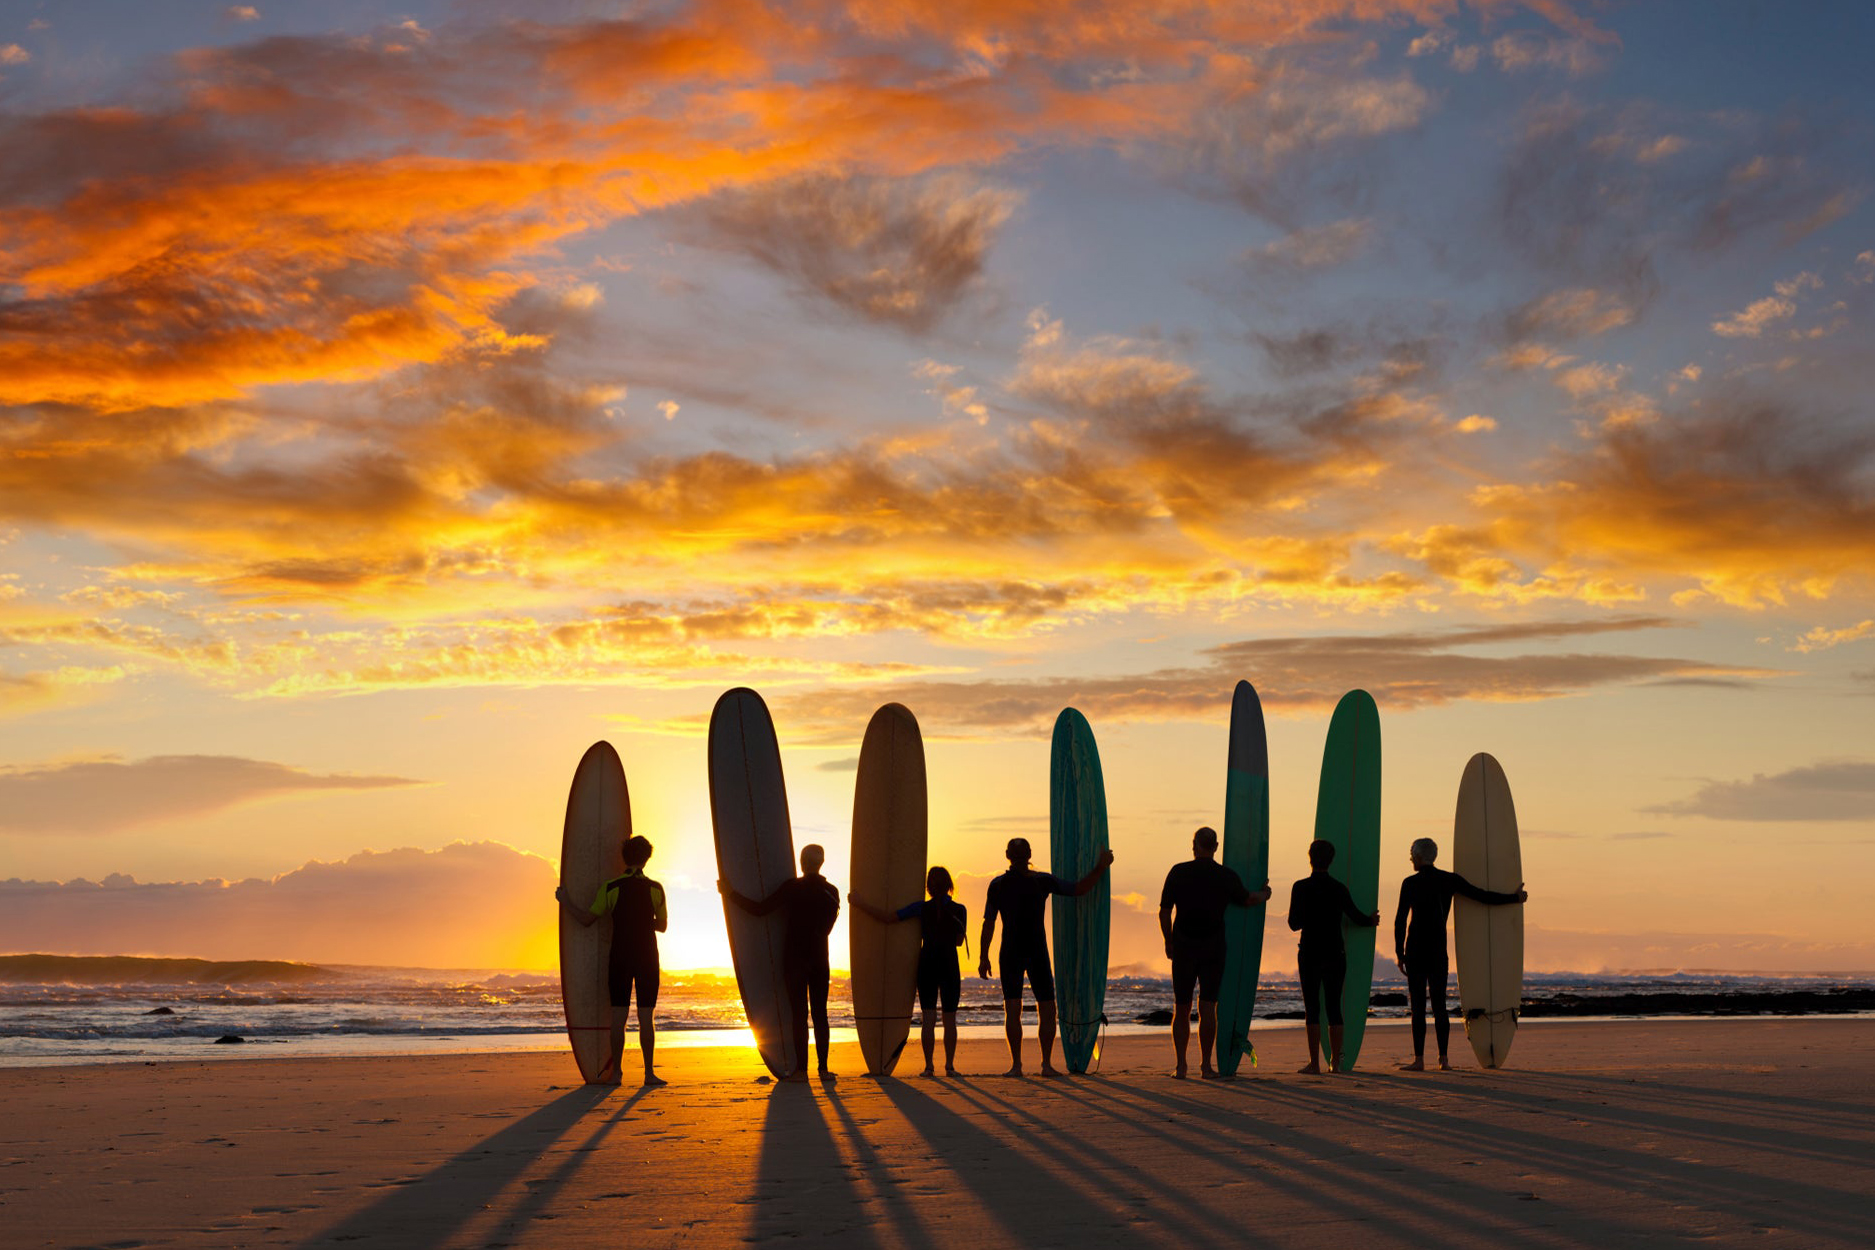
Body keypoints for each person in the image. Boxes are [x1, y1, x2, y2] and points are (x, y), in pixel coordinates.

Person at [978, 836, 1115, 1077]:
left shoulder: (998, 884)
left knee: (1014, 1008)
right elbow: (1078, 889)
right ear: (1029, 854)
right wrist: (1101, 866)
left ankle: (1017, 1066)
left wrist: (983, 956)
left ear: (1007, 855)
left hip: (1010, 951)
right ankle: (1045, 1065)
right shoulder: (1041, 881)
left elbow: (988, 923)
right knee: (1047, 1008)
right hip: (1035, 951)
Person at [1394, 837, 1528, 1071]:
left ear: (1416, 856)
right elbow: (1482, 896)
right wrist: (1513, 898)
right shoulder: (1449, 880)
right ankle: (1443, 1060)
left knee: (1417, 1006)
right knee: (1439, 1005)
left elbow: (1400, 920)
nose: (1410, 858)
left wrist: (1399, 952)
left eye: (1411, 854)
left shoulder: (1410, 883)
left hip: (1415, 949)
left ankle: (1418, 1060)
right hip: (1437, 950)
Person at [1158, 826, 1273, 1079]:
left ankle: (1180, 1066)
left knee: (1182, 1006)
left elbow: (1165, 911)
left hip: (1184, 946)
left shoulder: (1178, 872)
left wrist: (1168, 941)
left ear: (1194, 844)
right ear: (1216, 847)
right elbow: (1247, 899)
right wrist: (1265, 894)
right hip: (1213, 947)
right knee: (1208, 1006)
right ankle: (1206, 1066)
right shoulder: (1225, 876)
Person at [720, 844, 842, 1083]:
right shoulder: (832, 891)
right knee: (820, 1014)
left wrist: (730, 893)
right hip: (819, 960)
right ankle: (824, 1069)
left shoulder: (792, 888)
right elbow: (827, 927)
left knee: (798, 1015)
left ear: (801, 861)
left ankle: (801, 1072)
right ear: (822, 862)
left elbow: (760, 910)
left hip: (794, 959)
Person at [555, 834, 667, 1087]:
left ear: (623, 857)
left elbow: (586, 920)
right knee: (646, 1017)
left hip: (620, 956)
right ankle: (649, 1074)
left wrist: (565, 901)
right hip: (648, 956)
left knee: (618, 1016)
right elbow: (662, 926)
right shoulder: (655, 888)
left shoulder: (611, 887)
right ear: (647, 859)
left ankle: (617, 1074)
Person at [849, 865, 970, 1077]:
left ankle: (929, 1067)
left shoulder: (920, 908)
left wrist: (860, 904)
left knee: (928, 1017)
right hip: (949, 963)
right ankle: (950, 1067)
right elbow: (959, 942)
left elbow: (887, 918)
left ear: (928, 888)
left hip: (927, 962)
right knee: (949, 1018)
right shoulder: (960, 910)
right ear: (950, 885)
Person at [1287, 839, 1380, 1075]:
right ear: (1331, 860)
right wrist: (1371, 920)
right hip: (1334, 953)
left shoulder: (1300, 887)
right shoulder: (1339, 889)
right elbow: (1356, 916)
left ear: (1310, 857)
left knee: (1312, 1008)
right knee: (1334, 1006)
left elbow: (1293, 924)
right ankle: (1335, 1064)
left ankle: (1314, 1063)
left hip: (1309, 953)